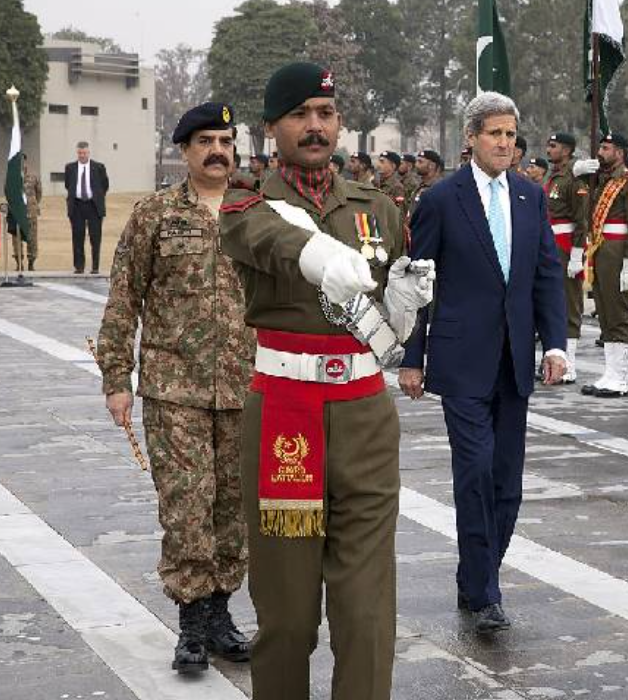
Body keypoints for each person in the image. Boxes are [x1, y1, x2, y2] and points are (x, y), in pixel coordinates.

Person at [219, 62, 434, 700]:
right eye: (299, 115)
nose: (315, 126)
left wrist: (402, 310)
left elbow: (384, 320)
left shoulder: (378, 207)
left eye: (326, 113)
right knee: (287, 619)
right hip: (285, 414)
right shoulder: (246, 202)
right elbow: (266, 238)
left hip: (365, 415)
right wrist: (318, 254)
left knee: (367, 614)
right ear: (272, 127)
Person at [398, 91, 567, 634]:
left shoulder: (529, 196)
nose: (504, 143)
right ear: (470, 138)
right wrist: (412, 357)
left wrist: (555, 344)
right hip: (460, 359)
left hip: (514, 360)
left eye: (511, 135)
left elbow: (546, 273)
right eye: (495, 133)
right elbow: (419, 285)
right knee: (474, 472)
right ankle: (486, 594)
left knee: (507, 483)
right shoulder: (441, 199)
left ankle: (477, 576)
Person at [96, 102, 253, 674]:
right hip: (174, 390)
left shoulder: (255, 212)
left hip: (245, 387)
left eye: (225, 141)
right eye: (206, 141)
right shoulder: (155, 215)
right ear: (184, 150)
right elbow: (124, 299)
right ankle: (191, 622)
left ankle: (220, 615)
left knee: (233, 507)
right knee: (186, 506)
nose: (218, 151)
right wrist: (117, 379)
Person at [575, 132, 628, 398]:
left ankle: (620, 377)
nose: (600, 152)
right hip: (600, 250)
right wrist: (578, 170)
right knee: (604, 312)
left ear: (620, 152)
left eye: (606, 148)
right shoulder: (600, 180)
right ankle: (610, 373)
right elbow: (578, 188)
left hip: (617, 251)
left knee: (617, 311)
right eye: (601, 147)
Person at [545, 131, 589, 384]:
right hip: (550, 245)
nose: (549, 150)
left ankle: (569, 364)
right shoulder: (554, 177)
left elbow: (581, 219)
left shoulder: (574, 178)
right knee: (552, 301)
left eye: (554, 146)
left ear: (567, 150)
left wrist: (576, 253)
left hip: (565, 245)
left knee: (569, 303)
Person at [65, 140, 109, 274]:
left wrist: (96, 196)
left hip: (93, 206)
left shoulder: (99, 167)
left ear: (88, 153)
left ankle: (95, 267)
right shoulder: (70, 168)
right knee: (78, 237)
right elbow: (68, 185)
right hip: (77, 206)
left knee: (95, 237)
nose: (82, 155)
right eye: (80, 153)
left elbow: (105, 185)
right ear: (77, 153)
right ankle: (79, 266)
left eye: (84, 153)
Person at [7, 155, 41, 271]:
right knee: (16, 238)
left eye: (22, 162)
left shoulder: (33, 177)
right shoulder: (11, 177)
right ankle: (19, 263)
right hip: (16, 212)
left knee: (32, 238)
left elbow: (39, 193)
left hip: (30, 212)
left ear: (26, 162)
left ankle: (31, 262)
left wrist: (32, 205)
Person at [409, 149, 444, 219]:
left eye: (420, 162)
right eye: (416, 161)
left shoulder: (440, 188)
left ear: (431, 165)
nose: (416, 165)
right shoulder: (420, 187)